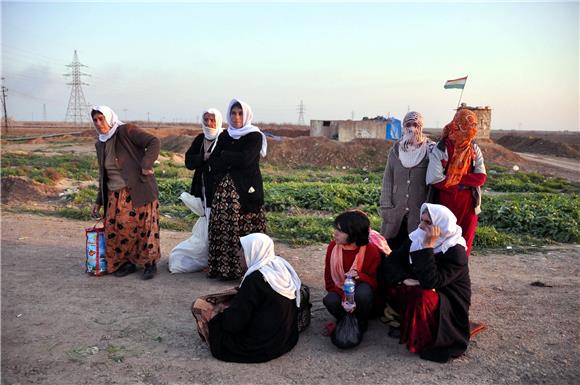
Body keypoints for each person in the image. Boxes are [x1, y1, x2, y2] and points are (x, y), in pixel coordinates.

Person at [381, 203, 471, 363]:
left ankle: (419, 337)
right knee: (390, 280)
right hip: (419, 284)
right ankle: (404, 321)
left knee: (422, 296)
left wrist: (427, 247)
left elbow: (431, 281)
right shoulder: (417, 237)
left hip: (447, 300)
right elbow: (391, 262)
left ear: (441, 225)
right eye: (421, 220)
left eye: (428, 223)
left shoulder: (455, 251)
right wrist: (403, 278)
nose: (421, 226)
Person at [90, 106, 161, 280]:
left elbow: (154, 141)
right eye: (95, 120)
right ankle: (127, 262)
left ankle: (149, 264)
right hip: (115, 194)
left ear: (110, 118)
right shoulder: (101, 143)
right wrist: (99, 200)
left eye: (101, 119)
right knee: (118, 230)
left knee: (145, 229)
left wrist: (146, 164)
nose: (99, 123)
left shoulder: (126, 131)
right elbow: (103, 174)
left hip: (138, 189)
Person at [207, 233, 301, 363]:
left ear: (254, 252)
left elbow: (233, 325)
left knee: (215, 323)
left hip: (261, 346)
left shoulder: (254, 280)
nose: (239, 254)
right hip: (285, 339)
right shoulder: (280, 267)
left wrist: (221, 313)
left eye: (243, 250)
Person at [206, 98, 267, 280]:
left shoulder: (254, 136)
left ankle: (248, 271)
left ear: (246, 114)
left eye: (240, 113)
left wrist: (225, 155)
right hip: (222, 194)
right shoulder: (225, 135)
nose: (236, 117)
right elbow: (214, 162)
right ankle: (224, 270)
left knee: (245, 232)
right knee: (223, 229)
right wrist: (228, 157)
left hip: (246, 192)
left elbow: (246, 159)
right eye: (233, 113)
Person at [426, 109, 486, 256]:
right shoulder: (441, 148)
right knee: (443, 241)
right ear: (457, 126)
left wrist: (455, 179)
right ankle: (442, 275)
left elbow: (481, 177)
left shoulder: (473, 149)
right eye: (467, 126)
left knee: (464, 242)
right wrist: (465, 182)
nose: (471, 130)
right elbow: (435, 179)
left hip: (469, 205)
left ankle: (460, 273)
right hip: (446, 204)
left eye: (473, 126)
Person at [380, 111, 434, 250]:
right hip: (395, 210)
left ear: (421, 126)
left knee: (414, 247)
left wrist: (429, 209)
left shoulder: (430, 149)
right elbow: (388, 179)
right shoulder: (396, 150)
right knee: (391, 247)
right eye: (408, 125)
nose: (411, 128)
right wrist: (386, 206)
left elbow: (433, 183)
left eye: (415, 125)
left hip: (418, 210)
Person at [323, 210, 381, 334]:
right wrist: (335, 293)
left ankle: (361, 321)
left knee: (363, 293)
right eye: (336, 229)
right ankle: (346, 320)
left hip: (361, 292)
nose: (335, 233)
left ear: (354, 233)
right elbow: (328, 274)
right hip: (340, 288)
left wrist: (360, 276)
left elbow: (377, 284)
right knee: (330, 300)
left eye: (340, 231)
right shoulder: (333, 246)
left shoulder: (371, 251)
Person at [184, 108, 223, 212]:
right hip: (201, 186)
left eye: (212, 120)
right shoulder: (200, 138)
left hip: (219, 189)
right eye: (206, 119)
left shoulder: (224, 138)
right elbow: (189, 162)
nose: (208, 123)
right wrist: (203, 157)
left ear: (218, 121)